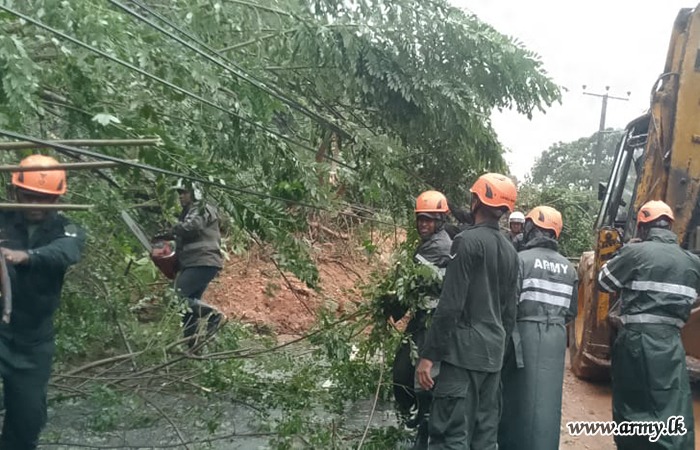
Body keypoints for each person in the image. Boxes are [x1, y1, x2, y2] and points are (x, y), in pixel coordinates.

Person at [416, 173, 520, 449]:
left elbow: (450, 305)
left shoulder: (466, 241)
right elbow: (510, 313)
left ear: (476, 202)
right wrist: (498, 354)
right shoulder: (511, 251)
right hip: (492, 359)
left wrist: (429, 356)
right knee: (484, 439)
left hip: (463, 358)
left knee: (450, 437)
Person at [597, 200, 699, 450]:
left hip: (636, 340)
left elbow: (603, 282)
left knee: (634, 402)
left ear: (643, 227)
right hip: (672, 341)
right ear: (669, 226)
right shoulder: (692, 262)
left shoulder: (635, 253)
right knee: (671, 402)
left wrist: (623, 253)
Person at [0, 154, 85, 449]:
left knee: (27, 419)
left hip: (34, 340)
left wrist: (27, 256)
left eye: (44, 198)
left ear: (57, 198)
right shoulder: (2, 219)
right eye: (29, 196)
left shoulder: (67, 229)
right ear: (16, 193)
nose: (36, 204)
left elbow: (66, 252)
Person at [498, 205, 577, 450]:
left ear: (531, 229)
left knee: (517, 396)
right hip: (555, 338)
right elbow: (572, 311)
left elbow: (508, 306)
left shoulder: (521, 260)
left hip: (524, 334)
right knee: (548, 401)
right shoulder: (569, 268)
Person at [382, 190, 452, 449]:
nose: (423, 224)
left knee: (420, 378)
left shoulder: (438, 247)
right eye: (420, 219)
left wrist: (389, 307)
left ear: (440, 221)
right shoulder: (430, 243)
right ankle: (418, 419)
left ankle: (424, 428)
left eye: (429, 219)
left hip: (433, 321)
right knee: (403, 372)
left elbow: (410, 285)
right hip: (422, 317)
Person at [159, 179, 224, 350]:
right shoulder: (189, 212)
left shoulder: (201, 208)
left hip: (202, 261)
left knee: (175, 298)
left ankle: (212, 314)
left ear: (195, 193)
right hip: (196, 262)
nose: (181, 196)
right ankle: (192, 348)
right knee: (188, 310)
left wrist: (173, 230)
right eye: (179, 193)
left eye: (184, 192)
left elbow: (191, 227)